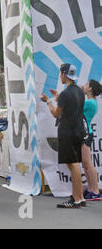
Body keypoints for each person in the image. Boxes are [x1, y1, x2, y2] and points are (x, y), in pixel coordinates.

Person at [40, 64, 86, 208]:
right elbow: (72, 107)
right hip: (78, 130)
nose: (60, 76)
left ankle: (76, 198)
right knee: (75, 163)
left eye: (60, 73)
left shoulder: (66, 94)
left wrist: (48, 101)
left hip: (67, 131)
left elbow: (56, 113)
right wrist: (58, 98)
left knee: (73, 164)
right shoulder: (79, 91)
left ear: (65, 75)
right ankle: (80, 197)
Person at [82, 80, 101, 201]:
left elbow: (75, 108)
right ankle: (90, 189)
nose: (83, 86)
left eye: (86, 84)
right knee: (85, 164)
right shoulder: (91, 101)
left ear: (90, 89)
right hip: (84, 133)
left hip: (85, 134)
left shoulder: (90, 103)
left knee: (88, 164)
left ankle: (96, 191)